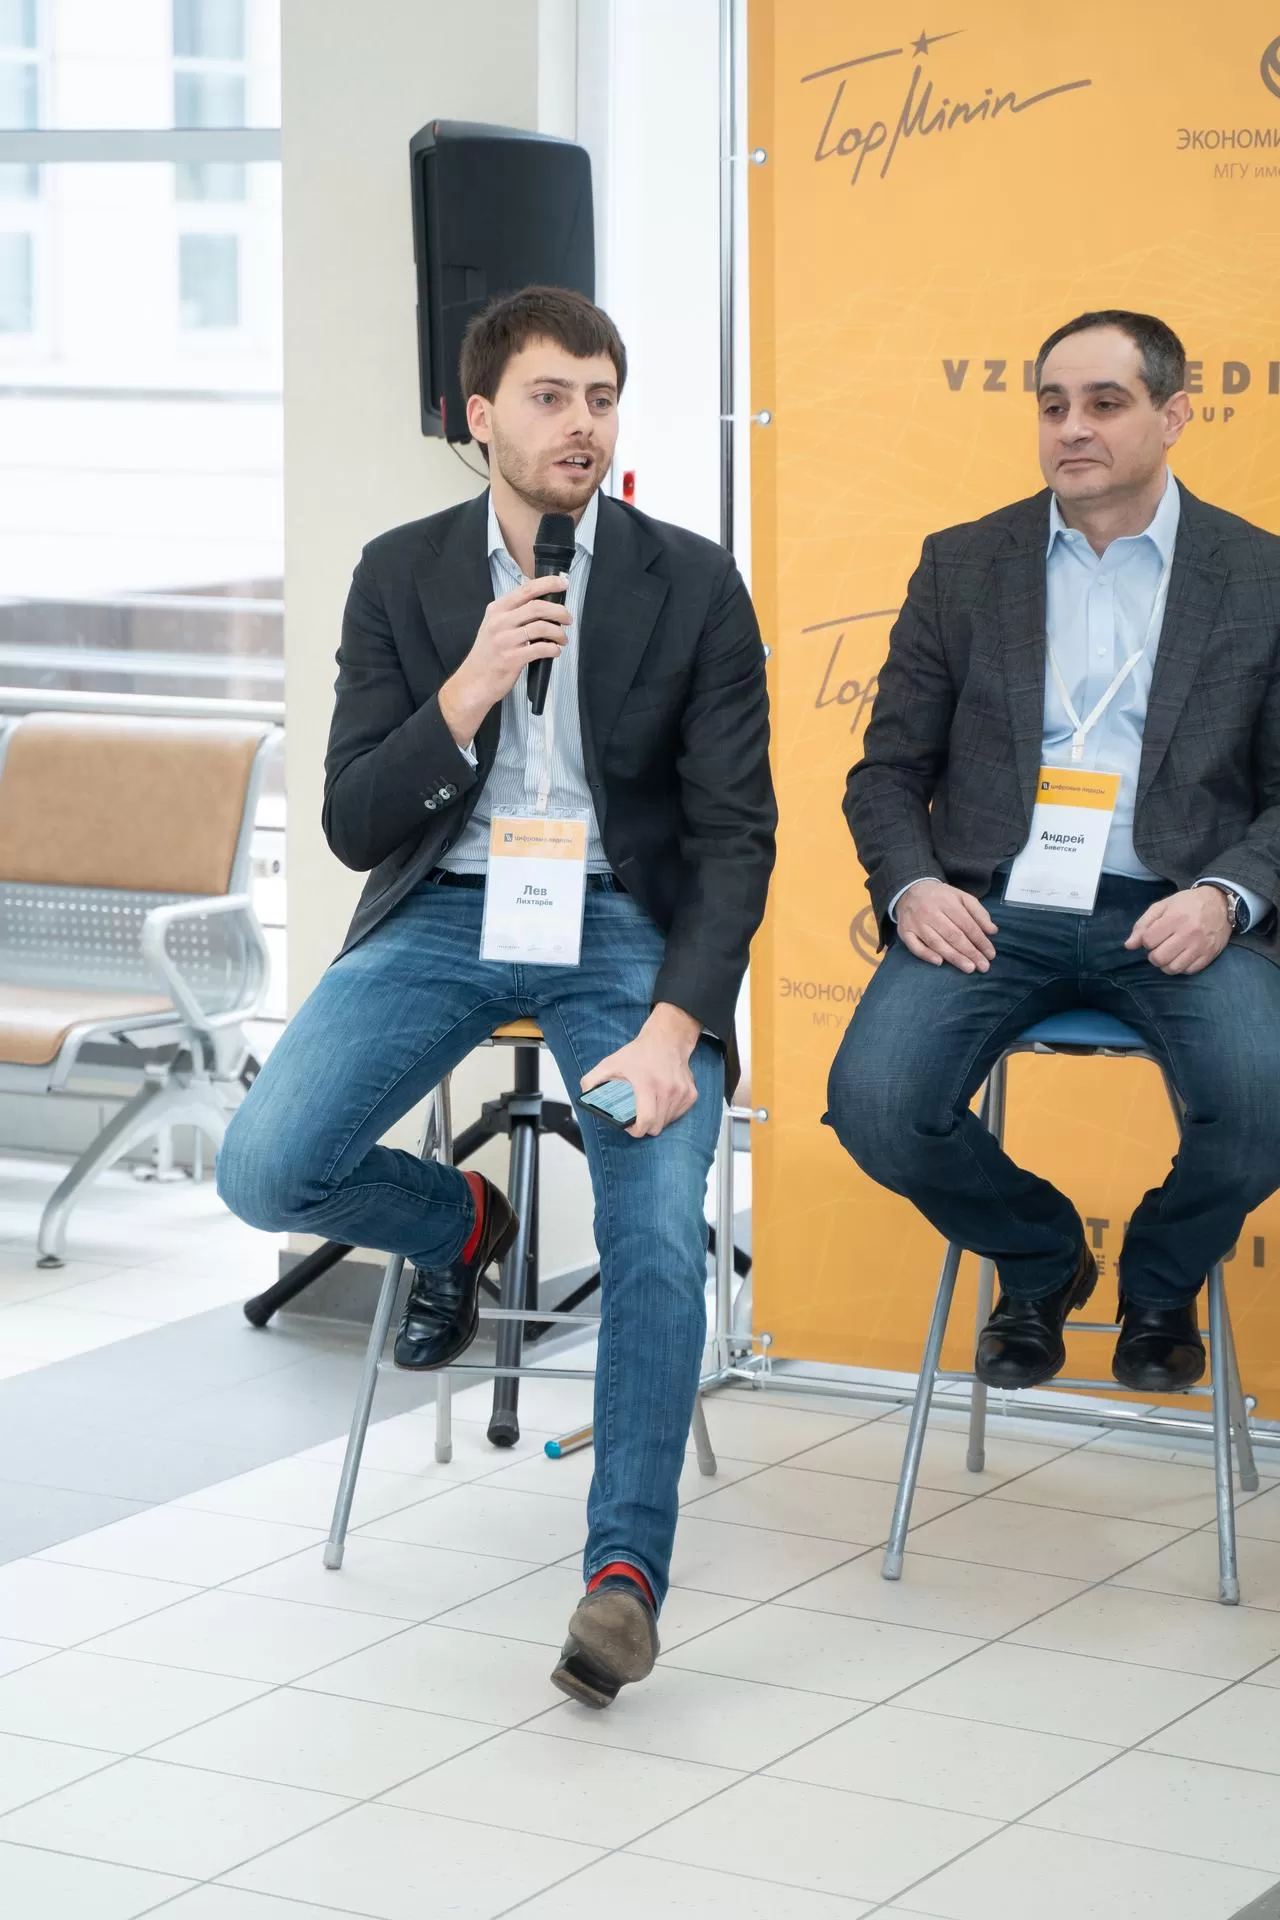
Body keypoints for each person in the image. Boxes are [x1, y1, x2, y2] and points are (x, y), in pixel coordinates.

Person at [217, 285, 776, 1709]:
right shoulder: (402, 574)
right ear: (478, 418)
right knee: (265, 1167)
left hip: (621, 926)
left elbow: (734, 837)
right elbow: (352, 820)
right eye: (548, 397)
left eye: (600, 398)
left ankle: (622, 1577)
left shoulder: (691, 582)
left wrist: (677, 1025)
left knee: (653, 1226)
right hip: (447, 907)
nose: (581, 424)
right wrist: (465, 688)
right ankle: (461, 1223)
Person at [826, 309, 1280, 1396]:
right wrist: (911, 886)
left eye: (1104, 403)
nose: (1071, 427)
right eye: (1053, 405)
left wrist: (1227, 897)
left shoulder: (1259, 575)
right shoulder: (962, 563)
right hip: (995, 904)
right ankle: (1040, 1260)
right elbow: (885, 771)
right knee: (877, 1103)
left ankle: (1160, 1280)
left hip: (1177, 905)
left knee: (1265, 1104)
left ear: (1174, 415)